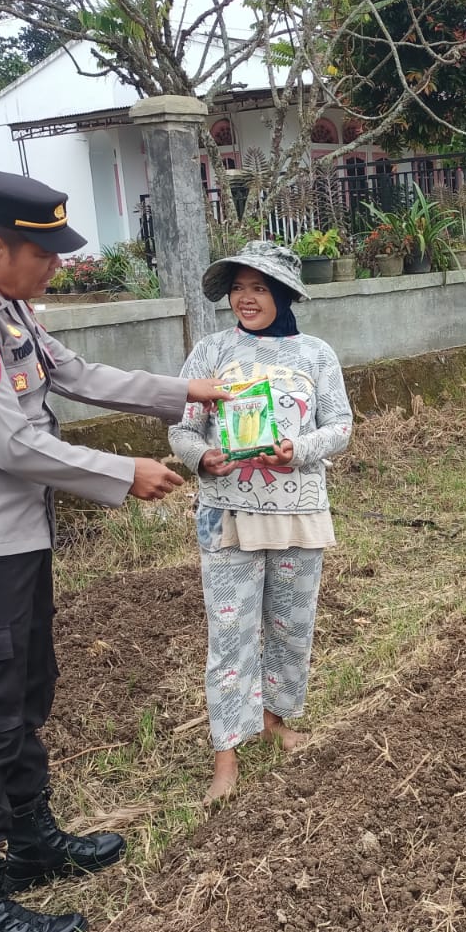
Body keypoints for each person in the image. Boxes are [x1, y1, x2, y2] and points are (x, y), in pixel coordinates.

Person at [0, 169, 234, 932]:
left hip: (11, 548)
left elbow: (77, 376)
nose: (56, 267)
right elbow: (9, 442)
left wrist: (187, 391)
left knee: (23, 695)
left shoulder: (1, 308)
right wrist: (123, 475)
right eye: (45, 254)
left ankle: (34, 842)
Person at [167, 241, 353, 805]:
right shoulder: (211, 351)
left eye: (259, 288)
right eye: (239, 288)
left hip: (299, 513)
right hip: (229, 514)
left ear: (285, 295)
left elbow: (341, 427)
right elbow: (182, 430)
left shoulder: (315, 354)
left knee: (291, 628)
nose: (246, 299)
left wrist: (296, 449)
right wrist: (202, 457)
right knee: (230, 636)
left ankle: (274, 720)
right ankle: (226, 753)